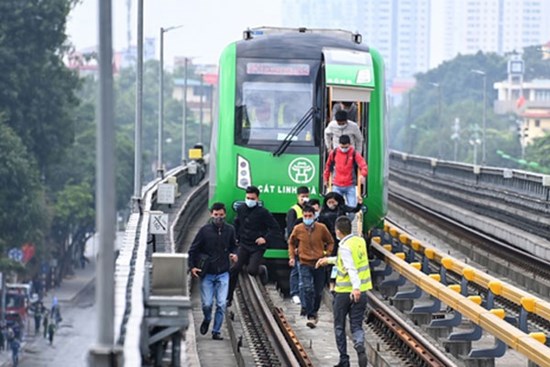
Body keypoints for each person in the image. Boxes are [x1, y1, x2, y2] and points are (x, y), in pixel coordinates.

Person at [316, 216, 372, 367]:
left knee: (339, 326)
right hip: (362, 291)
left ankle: (344, 360)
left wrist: (355, 288)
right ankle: (359, 345)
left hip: (345, 293)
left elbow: (351, 267)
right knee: (356, 325)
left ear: (338, 231)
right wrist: (327, 260)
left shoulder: (344, 246)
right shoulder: (359, 241)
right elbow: (346, 261)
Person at [188, 202, 238, 341]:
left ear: (225, 214)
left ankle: (216, 331)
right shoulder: (204, 231)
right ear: (211, 215)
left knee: (221, 303)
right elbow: (193, 249)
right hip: (207, 273)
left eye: (221, 215)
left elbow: (234, 246)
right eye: (216, 215)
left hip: (223, 272)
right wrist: (192, 267)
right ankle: (207, 318)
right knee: (207, 304)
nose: (218, 218)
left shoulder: (230, 230)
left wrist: (235, 254)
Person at [227, 186, 280, 306]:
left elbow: (275, 229)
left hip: (257, 246)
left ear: (257, 198)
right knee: (235, 269)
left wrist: (265, 238)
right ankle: (228, 298)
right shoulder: (241, 209)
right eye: (248, 197)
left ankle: (261, 270)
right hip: (244, 244)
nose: (249, 200)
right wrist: (236, 239)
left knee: (251, 270)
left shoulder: (263, 212)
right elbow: (237, 223)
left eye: (252, 198)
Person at [288, 206, 334, 328]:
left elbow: (330, 241)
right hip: (304, 262)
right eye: (305, 216)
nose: (307, 218)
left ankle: (314, 309)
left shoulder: (321, 228)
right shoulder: (298, 229)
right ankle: (310, 314)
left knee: (318, 291)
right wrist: (292, 257)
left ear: (314, 216)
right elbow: (291, 242)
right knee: (307, 287)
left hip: (319, 263)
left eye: (310, 216)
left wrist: (327, 253)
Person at [323, 134, 368, 208]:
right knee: (335, 207)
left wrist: (363, 174)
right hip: (337, 185)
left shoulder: (354, 153)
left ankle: (348, 219)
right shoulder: (334, 153)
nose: (344, 149)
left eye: (346, 147)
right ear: (339, 144)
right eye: (342, 147)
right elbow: (328, 166)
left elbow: (363, 165)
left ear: (350, 145)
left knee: (352, 207)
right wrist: (326, 178)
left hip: (350, 185)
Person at [286, 186, 310, 305]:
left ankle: (303, 293)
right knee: (296, 269)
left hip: (306, 245)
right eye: (302, 197)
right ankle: (294, 292)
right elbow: (291, 230)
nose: (304, 199)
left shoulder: (309, 210)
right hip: (297, 245)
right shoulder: (293, 210)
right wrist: (293, 246)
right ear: (298, 196)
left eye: (306, 196)